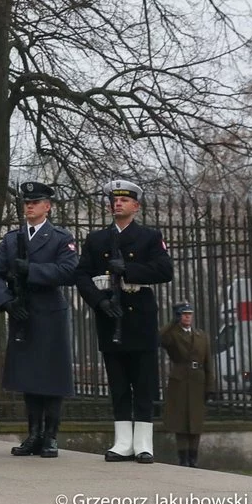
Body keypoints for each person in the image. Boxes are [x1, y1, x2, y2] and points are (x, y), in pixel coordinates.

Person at [74, 179, 173, 464]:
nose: (118, 203)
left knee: (142, 383)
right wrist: (99, 301)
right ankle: (122, 442)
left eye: (124, 200)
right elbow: (81, 275)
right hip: (110, 316)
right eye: (115, 200)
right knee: (117, 383)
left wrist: (129, 269)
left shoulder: (150, 237)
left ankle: (143, 443)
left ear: (136, 206)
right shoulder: (96, 240)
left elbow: (165, 270)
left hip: (139, 317)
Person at [0, 181, 78, 458]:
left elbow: (69, 270)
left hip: (49, 313)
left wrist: (33, 270)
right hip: (22, 313)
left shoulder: (60, 238)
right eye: (26, 202)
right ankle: (33, 434)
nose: (29, 206)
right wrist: (7, 302)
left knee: (50, 378)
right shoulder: (13, 239)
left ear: (47, 207)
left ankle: (50, 436)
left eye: (35, 202)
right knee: (29, 378)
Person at [160, 301, 213, 467]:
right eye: (184, 314)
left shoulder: (201, 335)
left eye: (189, 314)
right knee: (181, 420)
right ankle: (183, 457)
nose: (187, 317)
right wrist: (171, 322)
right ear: (178, 316)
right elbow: (160, 338)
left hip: (198, 380)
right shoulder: (173, 334)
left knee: (195, 421)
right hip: (180, 380)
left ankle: (193, 457)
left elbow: (208, 362)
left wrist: (210, 386)